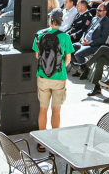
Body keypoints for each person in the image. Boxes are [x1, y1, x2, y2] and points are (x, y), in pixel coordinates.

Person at [33, 9, 74, 137]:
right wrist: (59, 67)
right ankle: (54, 141)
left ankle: (41, 142)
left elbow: (37, 56)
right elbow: (68, 59)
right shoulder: (65, 37)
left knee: (43, 109)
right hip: (59, 77)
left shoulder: (39, 34)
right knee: (56, 110)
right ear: (61, 21)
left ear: (50, 19)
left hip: (42, 76)